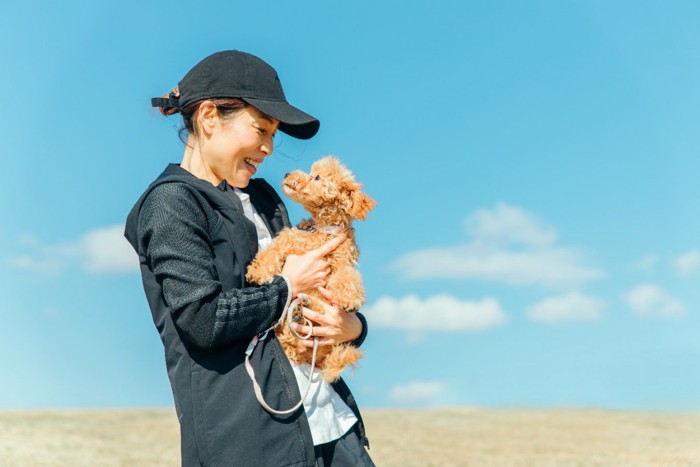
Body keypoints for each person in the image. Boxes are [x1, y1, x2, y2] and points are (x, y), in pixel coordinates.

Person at [124, 50, 374, 467]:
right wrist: (288, 285)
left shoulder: (264, 198)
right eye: (261, 129)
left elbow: (312, 290)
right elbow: (202, 320)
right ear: (208, 117)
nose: (269, 147)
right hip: (250, 444)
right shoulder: (171, 203)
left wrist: (351, 327)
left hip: (332, 426)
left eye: (274, 135)